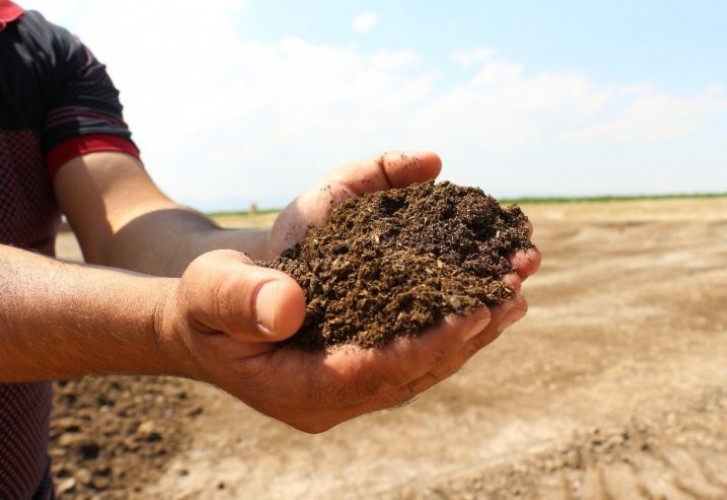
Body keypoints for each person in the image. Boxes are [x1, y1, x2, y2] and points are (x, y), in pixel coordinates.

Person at [0, 2, 541, 498]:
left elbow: (124, 218)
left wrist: (271, 259)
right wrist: (165, 324)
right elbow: (158, 306)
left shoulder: (47, 54)